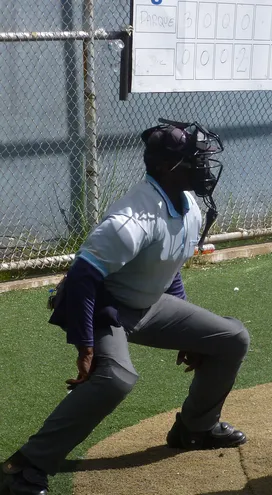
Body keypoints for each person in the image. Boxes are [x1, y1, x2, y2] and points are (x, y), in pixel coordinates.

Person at [0, 120, 250, 495]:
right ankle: (25, 466)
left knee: (232, 338)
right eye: (193, 160)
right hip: (103, 305)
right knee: (115, 377)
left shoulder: (189, 205)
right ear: (166, 167)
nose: (203, 167)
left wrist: (186, 331)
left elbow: (168, 266)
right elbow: (83, 278)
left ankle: (196, 428)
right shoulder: (131, 220)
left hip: (147, 303)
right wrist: (85, 347)